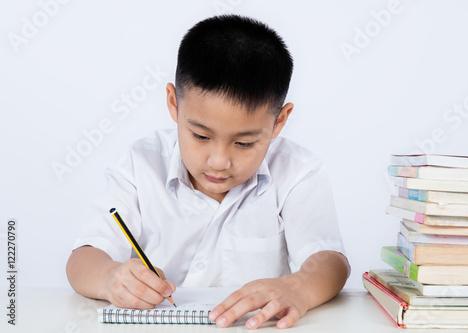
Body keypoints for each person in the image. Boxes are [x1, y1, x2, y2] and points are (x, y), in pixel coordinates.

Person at [66, 14, 349, 329]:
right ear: (174, 103)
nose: (218, 161)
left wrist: (300, 288)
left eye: (243, 143)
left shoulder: (297, 172)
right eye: (200, 136)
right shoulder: (139, 165)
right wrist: (109, 279)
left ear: (279, 122)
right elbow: (83, 260)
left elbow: (331, 261)